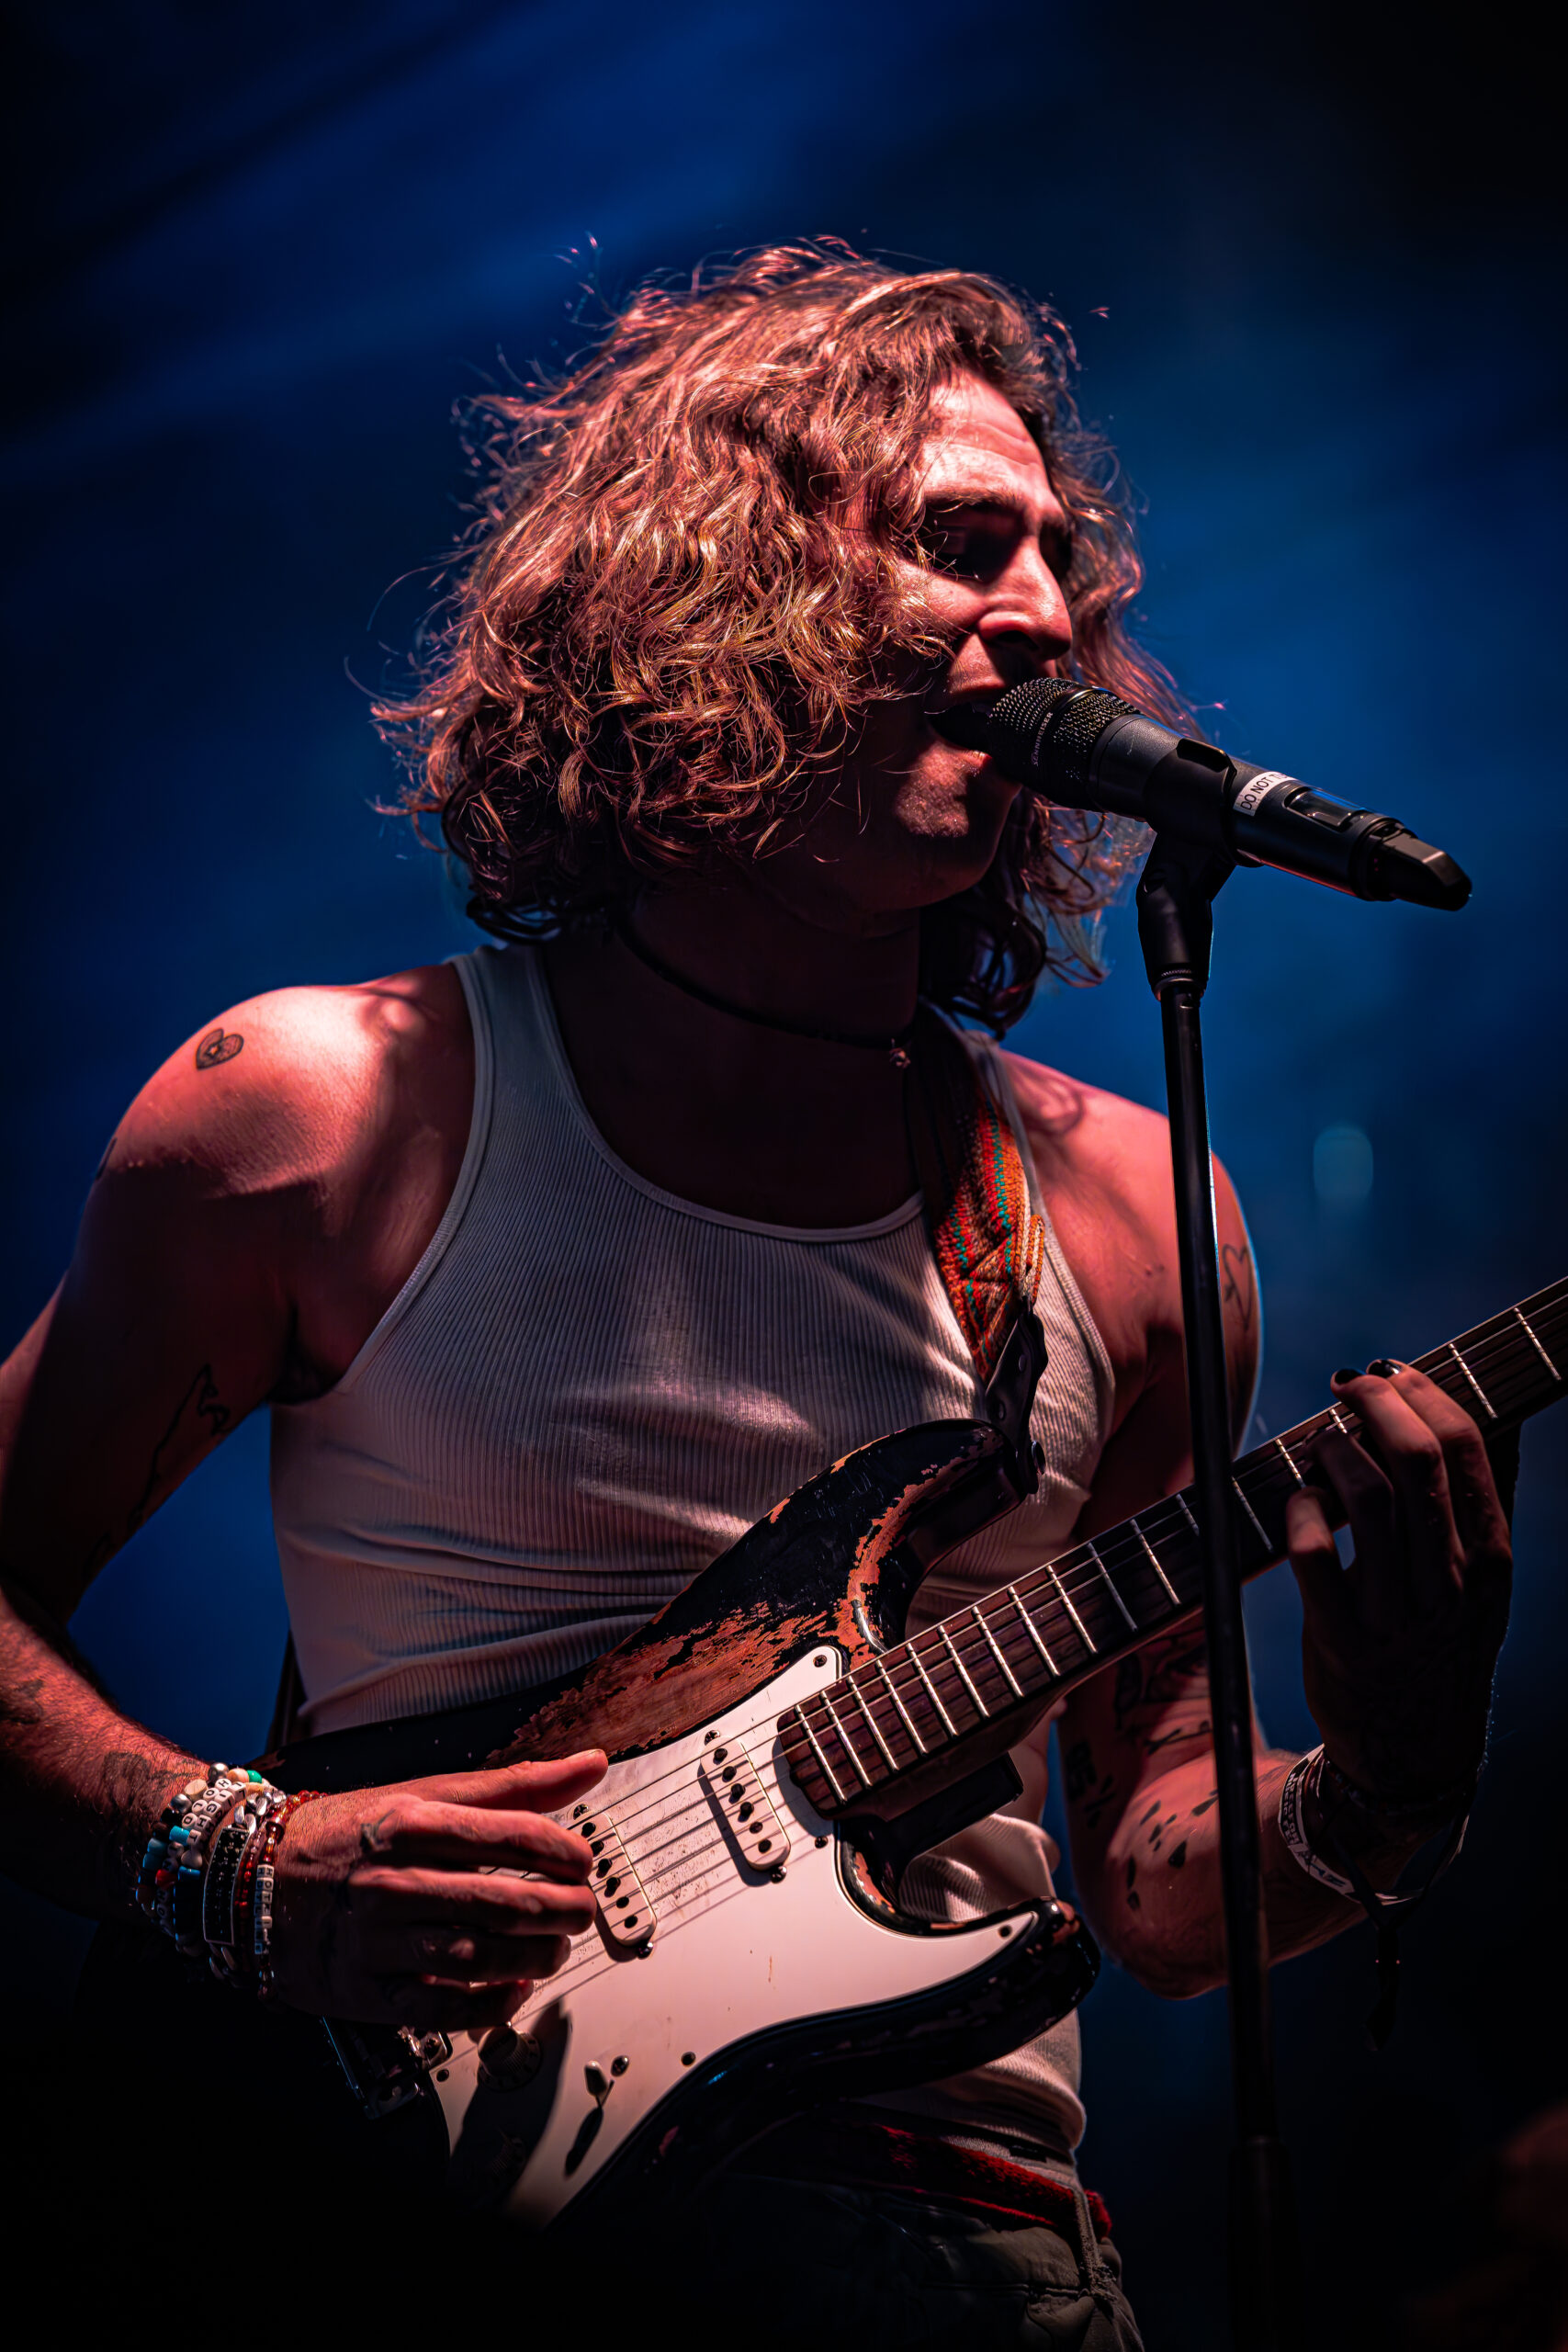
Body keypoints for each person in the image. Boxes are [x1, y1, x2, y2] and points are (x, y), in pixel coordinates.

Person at [0, 247, 1512, 2346]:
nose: (1049, 613)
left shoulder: (1133, 1215)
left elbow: (1160, 1882)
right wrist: (225, 1860)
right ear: (710, 591)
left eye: (1063, 561)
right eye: (959, 542)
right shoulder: (319, 1115)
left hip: (968, 2259)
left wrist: (1392, 1771)